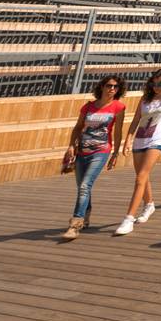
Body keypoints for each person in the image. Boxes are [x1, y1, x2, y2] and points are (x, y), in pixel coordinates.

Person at [115, 67, 161, 236]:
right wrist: (128, 139)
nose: (156, 87)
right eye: (154, 83)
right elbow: (136, 120)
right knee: (143, 176)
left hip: (157, 139)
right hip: (140, 138)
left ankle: (128, 219)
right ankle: (149, 204)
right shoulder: (145, 99)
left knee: (140, 177)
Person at [60, 75, 126, 239]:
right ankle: (86, 214)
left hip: (101, 151)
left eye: (116, 87)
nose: (112, 89)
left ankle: (75, 224)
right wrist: (70, 146)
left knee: (84, 185)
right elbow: (78, 127)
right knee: (83, 187)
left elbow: (117, 133)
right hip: (82, 150)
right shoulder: (88, 107)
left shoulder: (118, 107)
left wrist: (115, 153)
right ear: (102, 87)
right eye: (109, 85)